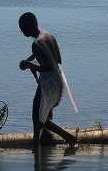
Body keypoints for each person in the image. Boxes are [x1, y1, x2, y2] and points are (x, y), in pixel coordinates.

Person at [17, 12, 78, 148]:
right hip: (59, 79)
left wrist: (30, 65)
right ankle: (49, 139)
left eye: (22, 28)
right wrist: (29, 60)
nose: (21, 31)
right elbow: (56, 59)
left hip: (48, 83)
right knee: (42, 115)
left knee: (37, 118)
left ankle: (39, 150)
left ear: (29, 27)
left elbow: (49, 66)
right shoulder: (48, 36)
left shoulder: (36, 44)